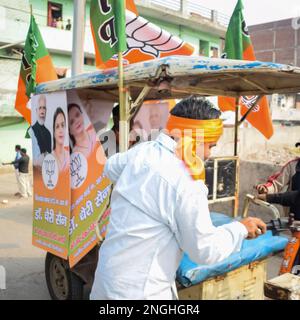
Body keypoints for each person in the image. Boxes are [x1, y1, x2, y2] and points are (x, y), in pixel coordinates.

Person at [90, 96, 266, 300]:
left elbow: (111, 168)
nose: (209, 154)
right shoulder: (186, 183)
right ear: (194, 139)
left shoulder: (143, 151)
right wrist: (241, 228)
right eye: (210, 145)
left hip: (105, 283)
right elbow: (205, 250)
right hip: (141, 293)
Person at [256, 145, 300, 216]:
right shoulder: (292, 165)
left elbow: (296, 197)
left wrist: (269, 198)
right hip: (292, 217)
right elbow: (277, 183)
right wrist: (266, 189)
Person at [29, 95, 52, 167]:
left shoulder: (48, 133)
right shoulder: (32, 130)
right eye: (40, 108)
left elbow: (49, 155)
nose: (42, 110)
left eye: (44, 108)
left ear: (46, 110)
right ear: (36, 110)